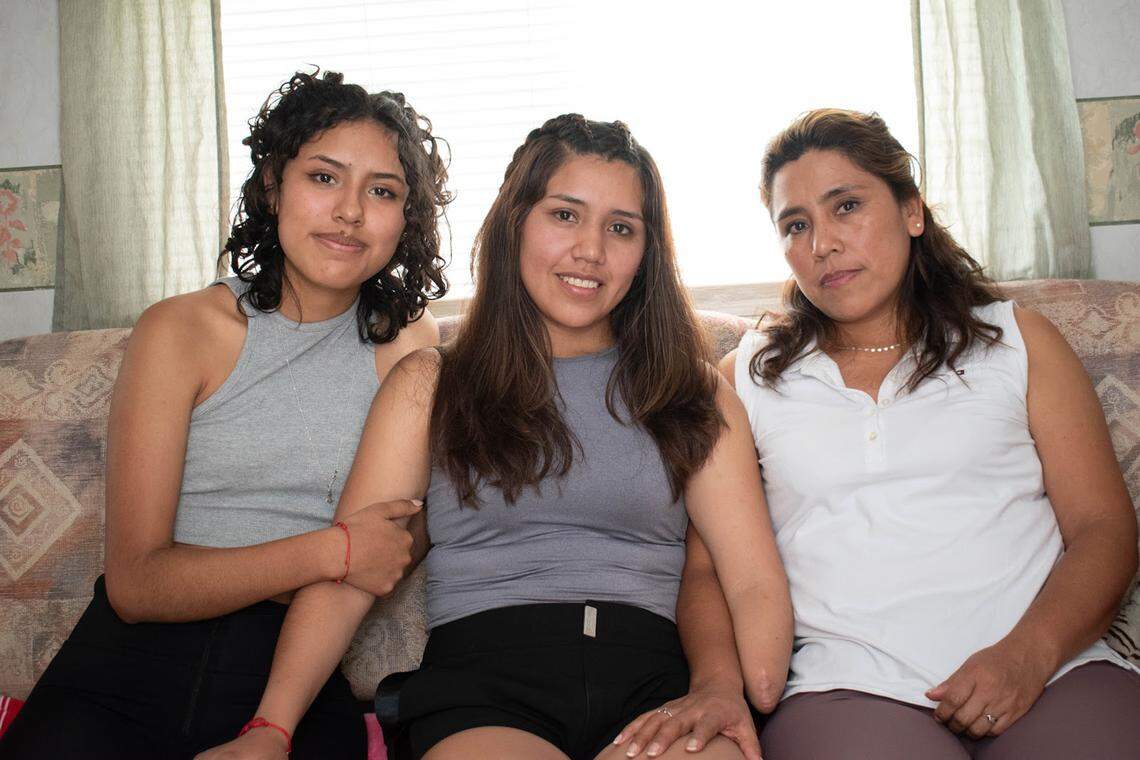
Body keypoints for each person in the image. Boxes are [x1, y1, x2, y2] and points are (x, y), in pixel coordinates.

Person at [197, 114, 792, 760]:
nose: (590, 249)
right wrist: (270, 729)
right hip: (484, 688)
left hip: (654, 688)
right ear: (515, 222)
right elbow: (351, 573)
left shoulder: (693, 394)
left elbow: (753, 583)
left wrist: (731, 692)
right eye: (565, 215)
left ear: (647, 252)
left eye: (621, 228)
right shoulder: (432, 383)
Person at [0, 70, 452, 760]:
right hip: (125, 666)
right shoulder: (179, 330)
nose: (350, 212)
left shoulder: (409, 348)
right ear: (274, 184)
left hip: (292, 670)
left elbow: (386, 550)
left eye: (382, 191)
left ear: (406, 219)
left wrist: (365, 553)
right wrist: (331, 550)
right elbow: (136, 585)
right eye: (324, 178)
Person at [716, 108, 1140, 759]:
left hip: (1054, 667)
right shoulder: (747, 375)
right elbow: (707, 563)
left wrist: (1027, 656)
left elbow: (1104, 529)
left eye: (847, 206)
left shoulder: (1018, 341)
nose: (822, 242)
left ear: (912, 212)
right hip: (848, 686)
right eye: (795, 225)